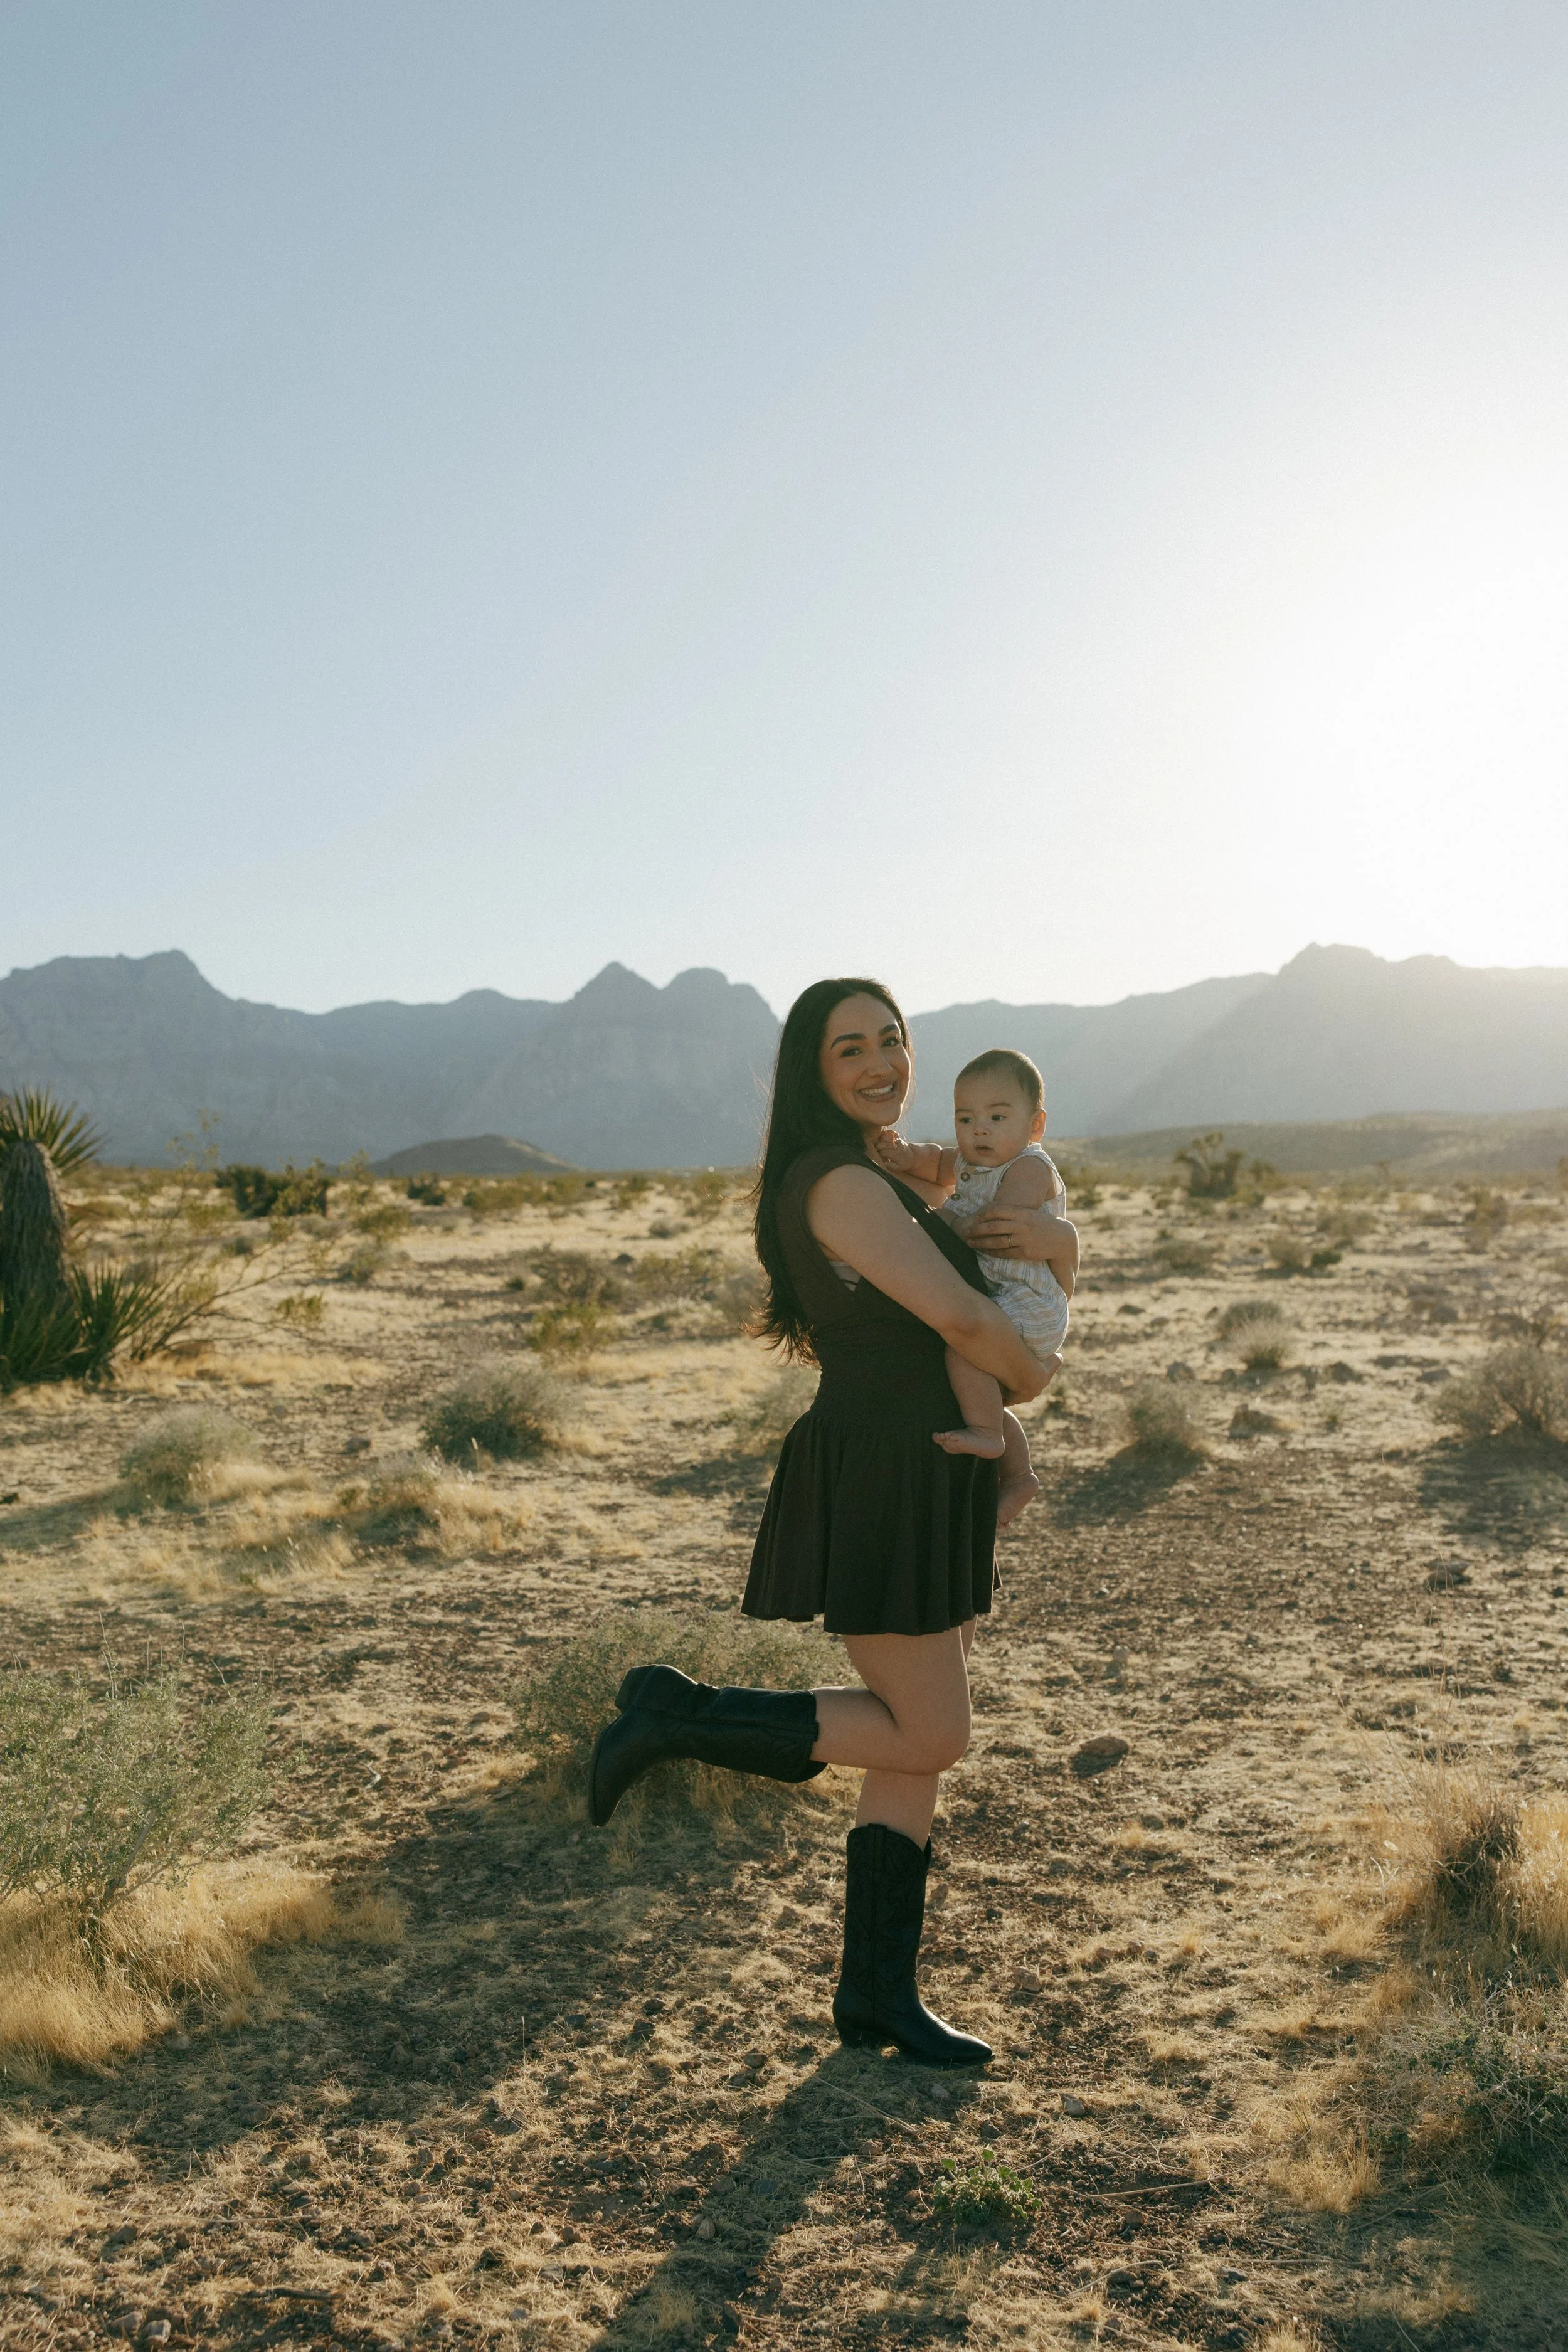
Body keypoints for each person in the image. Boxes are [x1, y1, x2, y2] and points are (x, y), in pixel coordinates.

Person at [586, 978, 1078, 2069]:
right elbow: (957, 1314)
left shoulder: (888, 1175)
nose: (880, 1062)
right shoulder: (838, 1184)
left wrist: (1010, 1431)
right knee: (933, 1730)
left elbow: (968, 1290)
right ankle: (677, 1716)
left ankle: (877, 1999)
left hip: (923, 1461)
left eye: (892, 1041)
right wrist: (1032, 1380)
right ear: (812, 1071)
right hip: (884, 1471)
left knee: (918, 1743)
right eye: (849, 1047)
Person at [874, 1046, 1074, 1526]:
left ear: (1035, 1126)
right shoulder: (972, 1159)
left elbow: (995, 1223)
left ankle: (989, 1436)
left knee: (966, 1354)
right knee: (970, 1383)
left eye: (997, 1117)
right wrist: (907, 1156)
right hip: (1002, 1299)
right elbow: (942, 1164)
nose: (978, 1130)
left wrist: (937, 1224)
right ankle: (1020, 1474)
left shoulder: (1028, 1169)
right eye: (965, 1118)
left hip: (1030, 1303)